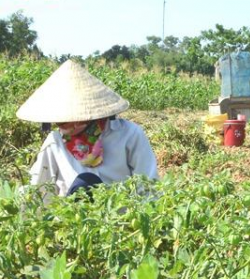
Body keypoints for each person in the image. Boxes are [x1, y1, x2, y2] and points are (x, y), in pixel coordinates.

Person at [17, 60, 159, 198]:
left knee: (88, 182)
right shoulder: (55, 142)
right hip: (73, 217)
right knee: (83, 183)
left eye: (70, 118)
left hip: (119, 217)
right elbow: (39, 188)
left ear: (89, 113)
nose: (63, 125)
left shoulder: (128, 135)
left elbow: (148, 186)